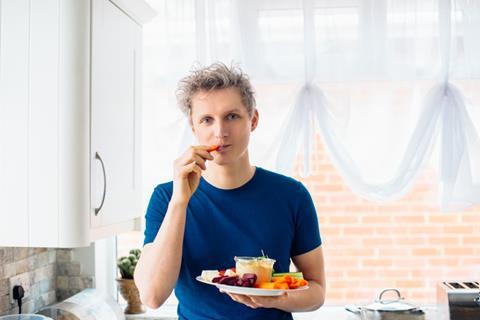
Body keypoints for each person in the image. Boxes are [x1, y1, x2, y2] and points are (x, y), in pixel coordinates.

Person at [134, 62, 326, 320]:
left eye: (232, 116)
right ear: (193, 127)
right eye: (207, 120)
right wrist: (180, 201)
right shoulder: (166, 198)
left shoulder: (292, 196)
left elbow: (317, 290)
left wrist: (275, 298)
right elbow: (152, 296)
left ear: (253, 120)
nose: (220, 132)